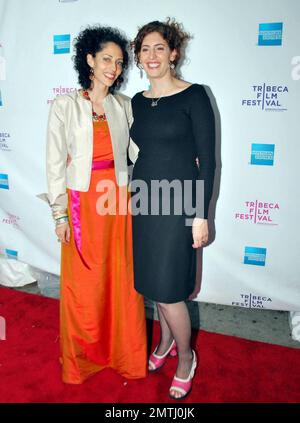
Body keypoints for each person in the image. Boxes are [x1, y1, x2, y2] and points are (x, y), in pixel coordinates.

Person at [44, 25, 147, 383]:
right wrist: (59, 215)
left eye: (119, 62)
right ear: (89, 59)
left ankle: (125, 355)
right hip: (82, 206)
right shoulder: (65, 106)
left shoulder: (124, 106)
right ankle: (82, 360)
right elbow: (55, 164)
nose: (114, 68)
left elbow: (138, 153)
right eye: (107, 59)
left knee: (121, 282)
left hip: (117, 204)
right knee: (84, 286)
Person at [130, 18, 216, 399]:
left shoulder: (195, 96)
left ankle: (185, 359)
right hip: (143, 202)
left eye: (159, 48)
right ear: (138, 57)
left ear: (174, 53)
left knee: (169, 292)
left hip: (179, 204)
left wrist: (201, 214)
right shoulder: (136, 101)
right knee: (153, 287)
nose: (152, 56)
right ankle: (163, 345)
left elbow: (208, 161)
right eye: (145, 49)